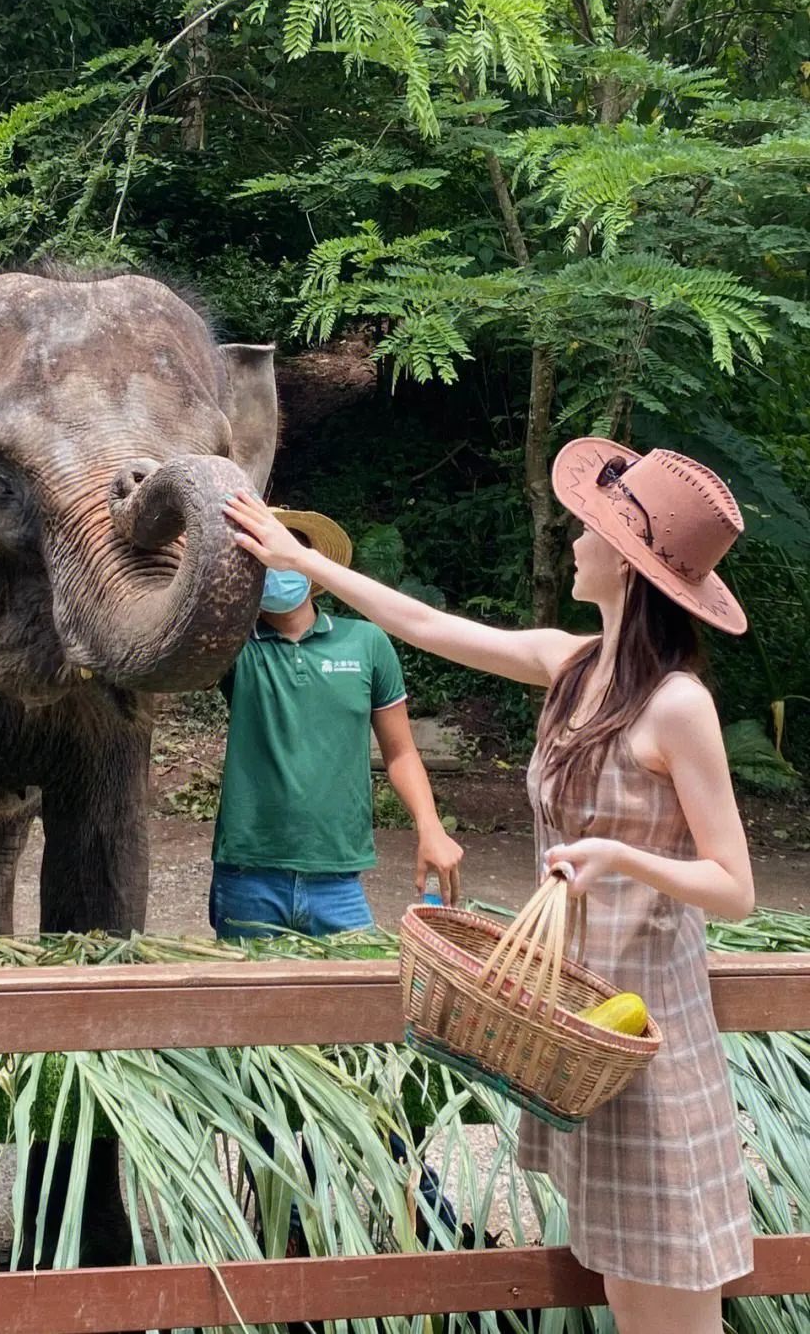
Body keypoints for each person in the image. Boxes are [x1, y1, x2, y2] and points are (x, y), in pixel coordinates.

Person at [226, 442, 755, 1334]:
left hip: (646, 1036)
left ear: (626, 559)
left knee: (676, 1301)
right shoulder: (573, 667)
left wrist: (620, 858)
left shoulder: (678, 704)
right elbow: (430, 627)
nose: (572, 534)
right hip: (570, 1028)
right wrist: (303, 560)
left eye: (590, 526)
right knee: (627, 1290)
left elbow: (734, 885)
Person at [210, 506, 462, 941]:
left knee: (353, 1004)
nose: (274, 567)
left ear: (310, 564)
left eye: (283, 552)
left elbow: (400, 752)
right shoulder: (231, 648)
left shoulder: (366, 643)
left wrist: (430, 826)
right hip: (247, 873)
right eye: (259, 557)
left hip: (339, 879)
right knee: (249, 1008)